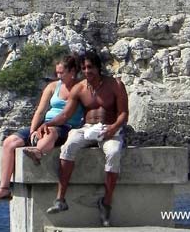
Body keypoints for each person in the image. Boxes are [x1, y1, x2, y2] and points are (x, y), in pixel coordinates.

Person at [38, 51, 128, 227]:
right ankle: (60, 199)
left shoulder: (115, 85)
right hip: (87, 128)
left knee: (114, 152)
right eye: (84, 68)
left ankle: (106, 203)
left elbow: (124, 113)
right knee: (69, 145)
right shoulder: (79, 88)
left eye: (90, 67)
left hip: (110, 128)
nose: (87, 71)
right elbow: (65, 115)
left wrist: (113, 128)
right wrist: (46, 124)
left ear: (98, 67)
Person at [0, 53, 84, 202]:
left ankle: (38, 151)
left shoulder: (81, 88)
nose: (58, 76)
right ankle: (4, 188)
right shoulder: (53, 87)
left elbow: (69, 114)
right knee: (9, 142)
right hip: (45, 123)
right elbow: (40, 111)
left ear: (72, 71)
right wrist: (33, 130)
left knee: (50, 132)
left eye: (62, 73)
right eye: (57, 72)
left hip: (65, 126)